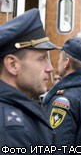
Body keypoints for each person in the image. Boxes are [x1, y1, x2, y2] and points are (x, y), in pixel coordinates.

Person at [0, 8, 59, 152]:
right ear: (13, 65)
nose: (50, 68)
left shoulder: (20, 112)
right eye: (41, 59)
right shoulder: (12, 129)